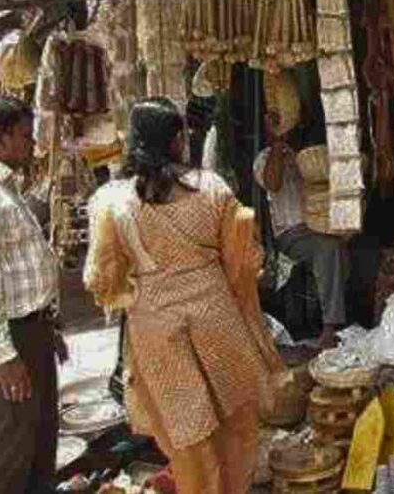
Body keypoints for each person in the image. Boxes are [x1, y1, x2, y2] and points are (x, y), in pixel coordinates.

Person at [85, 98, 283, 494]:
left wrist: (138, 289)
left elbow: (101, 280)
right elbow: (246, 259)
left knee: (187, 433)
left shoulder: (111, 201)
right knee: (234, 423)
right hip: (217, 318)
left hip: (157, 331)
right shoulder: (211, 188)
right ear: (178, 140)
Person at [0, 95, 62, 494]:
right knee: (8, 447)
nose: (32, 144)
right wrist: (3, 355)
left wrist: (50, 325)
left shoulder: (4, 186)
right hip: (11, 337)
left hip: (32, 328)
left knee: (39, 438)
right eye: (25, 136)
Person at [254, 109, 348, 346]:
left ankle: (342, 315)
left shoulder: (307, 158)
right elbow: (272, 184)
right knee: (327, 247)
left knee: (342, 242)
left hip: (320, 227)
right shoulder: (264, 159)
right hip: (291, 234)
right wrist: (277, 145)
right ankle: (330, 327)